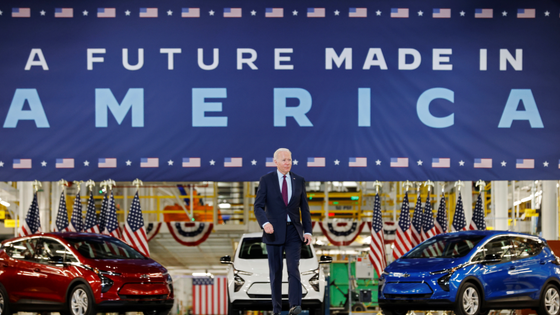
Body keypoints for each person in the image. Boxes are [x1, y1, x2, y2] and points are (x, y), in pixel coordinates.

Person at [254, 148, 313, 315]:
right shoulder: (266, 180)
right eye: (284, 160)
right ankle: (277, 310)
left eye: (289, 159)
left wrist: (307, 231)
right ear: (276, 162)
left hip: (294, 231)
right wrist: (265, 223)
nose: (288, 162)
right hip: (273, 233)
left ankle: (295, 306)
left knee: (293, 268)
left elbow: (305, 209)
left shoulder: (299, 180)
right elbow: (258, 206)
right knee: (276, 272)